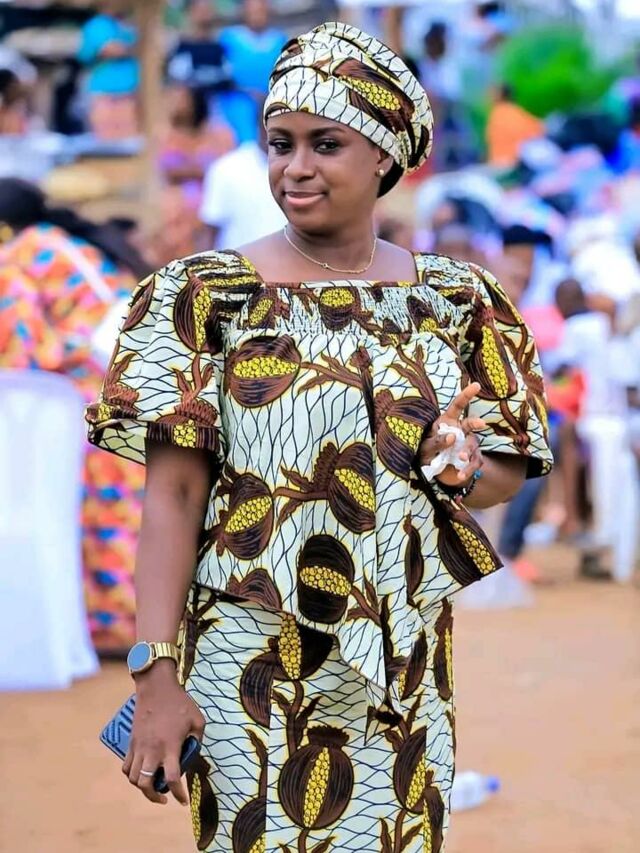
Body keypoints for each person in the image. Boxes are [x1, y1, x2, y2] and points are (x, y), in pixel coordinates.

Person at [86, 22, 552, 851]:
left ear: (384, 156)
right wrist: (155, 672)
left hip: (400, 662)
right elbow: (174, 493)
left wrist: (457, 464)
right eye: (281, 144)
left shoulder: (456, 301)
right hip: (247, 654)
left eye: (325, 144)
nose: (295, 168)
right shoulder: (203, 298)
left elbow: (499, 476)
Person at [0, 179, 151, 652]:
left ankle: (115, 627)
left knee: (103, 513)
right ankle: (144, 624)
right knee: (138, 512)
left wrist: (67, 350)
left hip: (95, 401)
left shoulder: (17, 259)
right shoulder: (65, 245)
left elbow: (20, 351)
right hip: (145, 389)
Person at [199, 104, 285, 247]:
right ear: (261, 125)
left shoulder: (302, 171)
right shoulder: (226, 169)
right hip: (238, 260)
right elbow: (210, 232)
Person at [218, 0, 287, 143]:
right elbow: (222, 74)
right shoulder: (229, 39)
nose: (257, 15)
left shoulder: (279, 39)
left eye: (260, 10)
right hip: (237, 103)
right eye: (253, 10)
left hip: (271, 103)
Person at [77, 0, 139, 139]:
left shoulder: (130, 25)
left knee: (129, 139)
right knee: (105, 139)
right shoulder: (97, 24)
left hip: (130, 94)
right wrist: (139, 48)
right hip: (104, 95)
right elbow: (111, 49)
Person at [166, 0, 234, 113]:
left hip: (219, 108)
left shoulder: (220, 48)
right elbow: (177, 80)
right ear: (191, 13)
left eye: (207, 9)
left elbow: (227, 77)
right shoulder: (182, 47)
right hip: (190, 109)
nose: (204, 14)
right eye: (200, 9)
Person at [486, 84, 545, 169]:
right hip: (509, 161)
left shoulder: (503, 113)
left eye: (492, 92)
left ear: (500, 95)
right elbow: (539, 128)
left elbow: (534, 130)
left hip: (510, 162)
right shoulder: (509, 111)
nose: (488, 95)